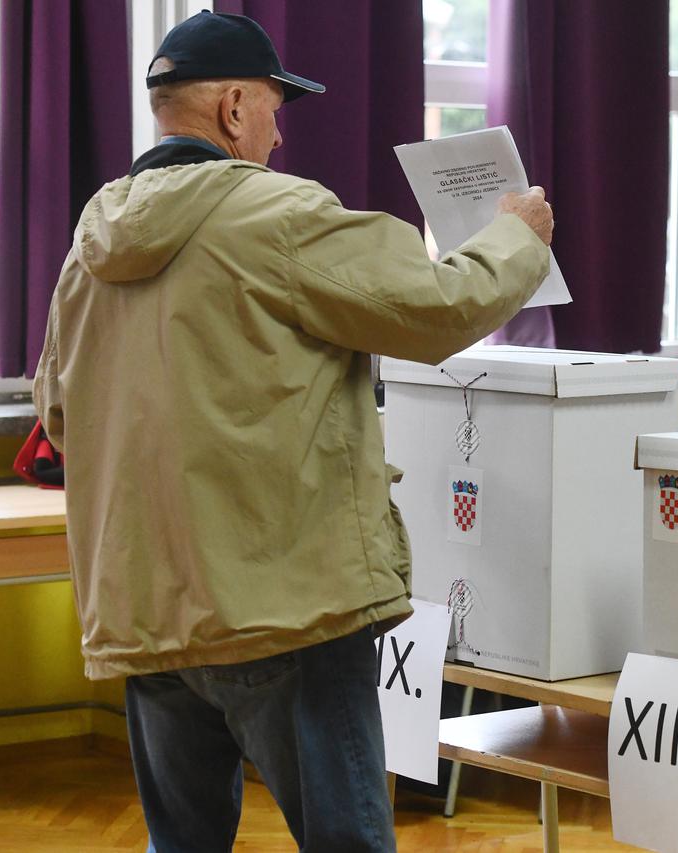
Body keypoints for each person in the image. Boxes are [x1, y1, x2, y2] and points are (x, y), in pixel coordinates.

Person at [32, 10, 552, 853]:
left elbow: (56, 410)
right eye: (275, 108)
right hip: (287, 609)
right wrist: (516, 243)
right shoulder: (276, 212)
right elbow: (435, 309)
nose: (278, 134)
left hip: (148, 615)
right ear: (234, 107)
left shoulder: (92, 240)